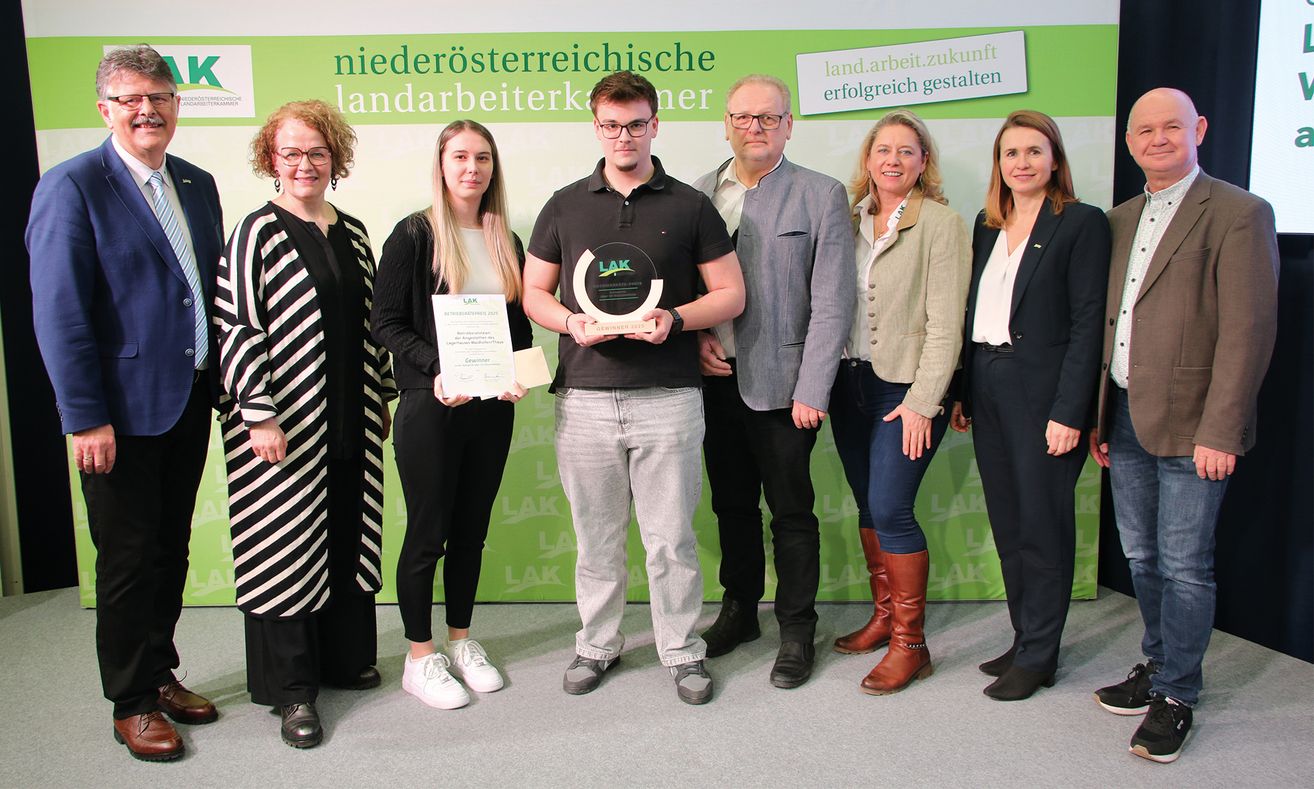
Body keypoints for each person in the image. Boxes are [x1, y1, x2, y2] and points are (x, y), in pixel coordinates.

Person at [522, 70, 744, 705]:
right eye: (612, 125)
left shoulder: (690, 205)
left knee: (671, 538)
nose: (625, 135)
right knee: (597, 539)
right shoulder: (564, 205)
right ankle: (597, 645)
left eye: (637, 123)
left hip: (669, 396)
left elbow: (731, 293)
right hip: (585, 398)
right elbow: (535, 292)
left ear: (655, 125)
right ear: (597, 128)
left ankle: (681, 649)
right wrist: (572, 323)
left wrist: (674, 318)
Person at [26, 44, 223, 762]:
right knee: (128, 558)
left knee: (171, 546)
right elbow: (60, 313)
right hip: (117, 414)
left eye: (161, 96)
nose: (149, 109)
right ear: (105, 108)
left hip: (190, 399)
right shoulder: (72, 187)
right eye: (132, 98)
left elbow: (205, 292)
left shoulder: (197, 184)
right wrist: (84, 415)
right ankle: (132, 700)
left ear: (177, 104)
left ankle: (160, 671)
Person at [1088, 88, 1278, 763]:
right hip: (1127, 416)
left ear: (1198, 128)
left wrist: (1223, 430)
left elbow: (1248, 332)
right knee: (1142, 557)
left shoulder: (1238, 212)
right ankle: (1158, 660)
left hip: (1198, 425)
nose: (1157, 138)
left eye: (1172, 126)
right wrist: (1100, 418)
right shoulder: (1117, 219)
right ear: (1131, 140)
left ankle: (1178, 693)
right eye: (1145, 129)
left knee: (1186, 565)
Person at [213, 100, 396, 748]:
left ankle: (343, 659)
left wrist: (383, 397)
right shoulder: (254, 233)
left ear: (335, 159)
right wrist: (257, 412)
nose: (304, 163)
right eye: (290, 152)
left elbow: (373, 324)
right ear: (271, 159)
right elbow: (235, 325)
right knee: (285, 548)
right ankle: (293, 690)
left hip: (348, 422)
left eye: (317, 151)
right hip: (281, 427)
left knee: (346, 535)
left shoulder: (353, 231)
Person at [691, 74, 854, 688]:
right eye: (742, 117)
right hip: (714, 381)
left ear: (789, 125)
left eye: (767, 117)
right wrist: (697, 341)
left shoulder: (820, 194)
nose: (753, 126)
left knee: (791, 511)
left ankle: (795, 629)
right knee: (731, 503)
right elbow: (690, 288)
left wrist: (815, 386)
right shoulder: (701, 191)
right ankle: (739, 610)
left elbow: (833, 300)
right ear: (727, 123)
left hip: (786, 388)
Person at [948, 110, 1110, 701]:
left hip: (1045, 395)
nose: (1022, 163)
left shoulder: (1081, 223)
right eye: (1011, 153)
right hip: (988, 385)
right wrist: (964, 392)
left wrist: (1072, 412)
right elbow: (975, 316)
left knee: (1042, 526)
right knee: (1009, 522)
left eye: (1034, 152)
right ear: (1000, 164)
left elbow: (1089, 321)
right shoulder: (987, 226)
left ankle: (1041, 654)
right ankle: (1025, 637)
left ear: (1055, 160)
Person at [371, 120, 532, 710]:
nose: (472, 168)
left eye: (483, 158)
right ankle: (420, 657)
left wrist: (518, 372)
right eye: (460, 156)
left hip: (490, 409)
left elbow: (516, 328)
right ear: (441, 164)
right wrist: (439, 367)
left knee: (471, 533)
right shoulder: (414, 234)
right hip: (430, 406)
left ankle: (462, 641)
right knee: (427, 535)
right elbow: (386, 323)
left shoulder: (504, 238)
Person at [828, 109, 970, 695]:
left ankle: (912, 643)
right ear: (868, 160)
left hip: (903, 390)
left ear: (923, 163)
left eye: (907, 152)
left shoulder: (942, 224)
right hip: (847, 382)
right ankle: (885, 616)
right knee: (867, 504)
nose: (893, 160)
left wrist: (923, 403)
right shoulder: (845, 219)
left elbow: (946, 325)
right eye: (883, 150)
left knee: (892, 508)